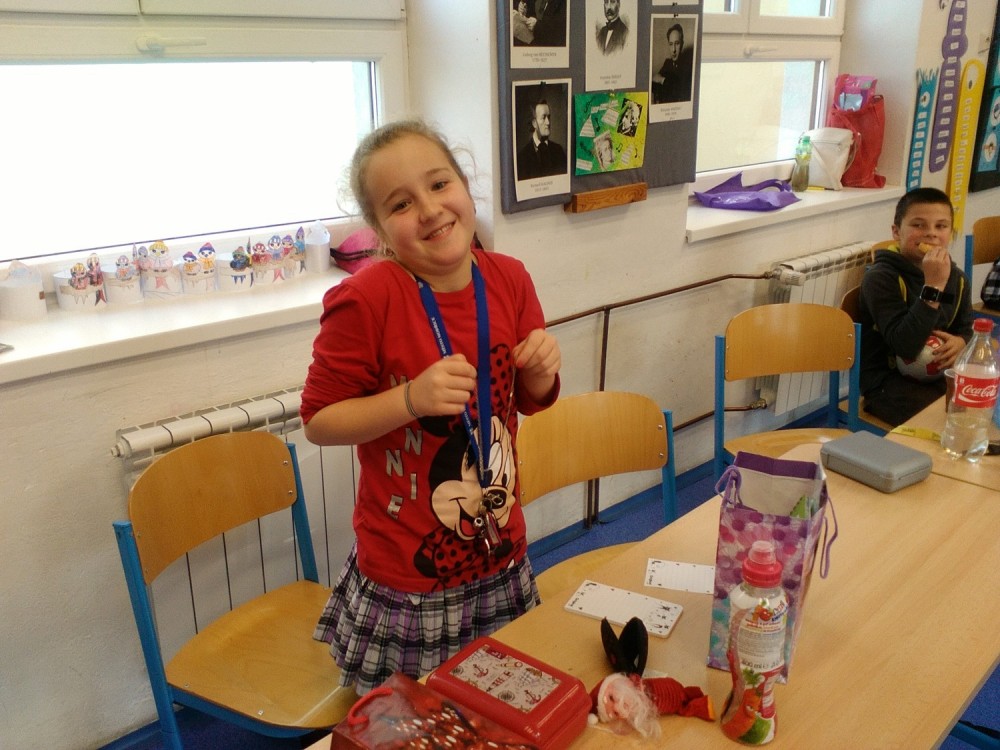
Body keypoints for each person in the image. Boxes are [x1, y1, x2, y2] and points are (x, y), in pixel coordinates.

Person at [300, 119, 562, 696]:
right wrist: (409, 399)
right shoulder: (366, 300)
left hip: (500, 552)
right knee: (410, 720)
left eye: (440, 184)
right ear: (379, 229)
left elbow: (529, 399)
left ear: (464, 186)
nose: (429, 210)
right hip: (409, 577)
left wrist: (542, 372)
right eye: (400, 203)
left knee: (501, 707)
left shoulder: (510, 279)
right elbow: (318, 421)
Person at [858, 187, 973, 426]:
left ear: (951, 233)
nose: (931, 233)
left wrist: (961, 342)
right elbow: (906, 346)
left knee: (979, 406)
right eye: (919, 225)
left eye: (941, 226)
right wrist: (934, 287)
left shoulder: (958, 278)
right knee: (943, 421)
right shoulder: (880, 278)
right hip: (887, 383)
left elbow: (966, 328)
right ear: (896, 231)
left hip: (938, 376)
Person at [516, 98, 568, 179]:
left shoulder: (559, 151)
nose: (548, 122)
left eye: (549, 117)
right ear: (534, 123)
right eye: (543, 118)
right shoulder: (522, 157)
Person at [651, 23, 693, 104]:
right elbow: (654, 83)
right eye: (671, 44)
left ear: (682, 44)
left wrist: (662, 80)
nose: (673, 50)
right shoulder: (668, 63)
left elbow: (679, 91)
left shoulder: (688, 66)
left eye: (677, 43)